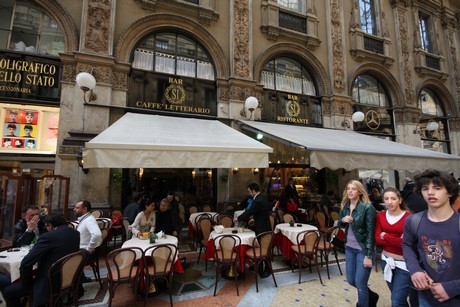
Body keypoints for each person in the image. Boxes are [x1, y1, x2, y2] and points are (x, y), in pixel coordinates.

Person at [402, 169, 460, 306]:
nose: (430, 192)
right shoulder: (413, 221)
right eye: (425, 188)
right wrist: (415, 270)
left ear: (450, 192)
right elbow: (407, 245)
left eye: (437, 188)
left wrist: (453, 287)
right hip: (427, 297)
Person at [3, 212, 80, 307]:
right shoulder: (75, 233)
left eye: (46, 226)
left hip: (49, 283)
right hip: (69, 278)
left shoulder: (48, 237)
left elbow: (26, 263)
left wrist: (27, 283)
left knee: (8, 291)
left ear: (50, 226)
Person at [338, 180, 378, 307]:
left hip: (363, 250)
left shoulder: (367, 208)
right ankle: (372, 296)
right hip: (349, 248)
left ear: (360, 192)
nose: (350, 191)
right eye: (348, 188)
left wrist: (368, 255)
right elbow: (340, 223)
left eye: (353, 189)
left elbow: (371, 233)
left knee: (360, 283)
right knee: (351, 280)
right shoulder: (345, 206)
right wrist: (343, 219)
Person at [374, 187, 411, 307]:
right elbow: (377, 239)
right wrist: (397, 239)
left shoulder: (409, 218)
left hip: (404, 264)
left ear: (399, 200)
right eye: (386, 199)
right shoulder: (380, 216)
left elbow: (406, 243)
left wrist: (386, 236)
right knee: (398, 298)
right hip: (386, 262)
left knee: (396, 301)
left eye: (393, 198)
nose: (389, 202)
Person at [74, 200, 102, 285]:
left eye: (77, 208)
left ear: (85, 209)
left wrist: (89, 248)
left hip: (85, 253)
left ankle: (73, 284)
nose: (74, 209)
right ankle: (79, 278)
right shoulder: (85, 219)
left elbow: (97, 234)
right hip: (82, 250)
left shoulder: (89, 220)